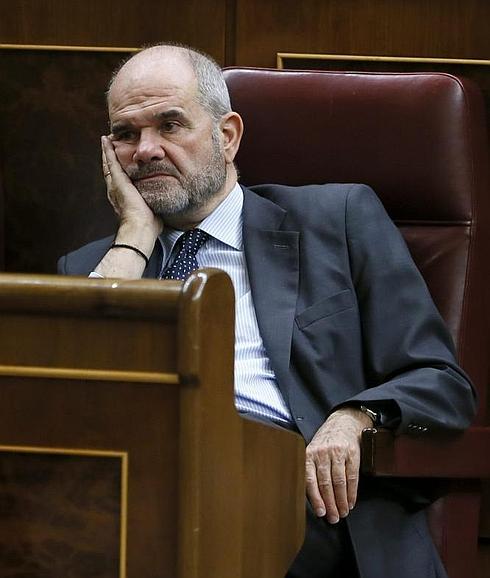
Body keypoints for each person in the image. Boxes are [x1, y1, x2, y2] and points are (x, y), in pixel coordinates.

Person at [58, 43, 477, 578]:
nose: (146, 151)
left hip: (296, 496)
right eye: (125, 134)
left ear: (227, 136)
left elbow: (440, 381)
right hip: (143, 493)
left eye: (170, 125)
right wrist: (136, 235)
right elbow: (68, 410)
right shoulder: (96, 267)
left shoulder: (336, 221)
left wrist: (354, 417)